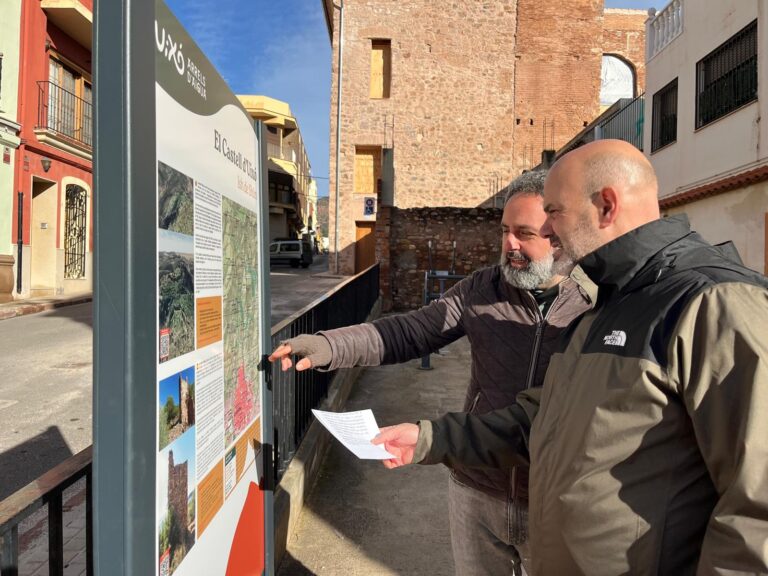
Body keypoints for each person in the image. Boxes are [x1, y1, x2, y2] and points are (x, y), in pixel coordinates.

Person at [373, 139, 768, 575]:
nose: (548, 230)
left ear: (606, 205)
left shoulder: (714, 303)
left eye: (554, 212)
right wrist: (429, 438)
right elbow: (546, 421)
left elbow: (758, 512)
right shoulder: (609, 301)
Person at [269, 170, 594, 576]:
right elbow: (410, 331)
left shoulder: (596, 303)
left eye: (524, 233)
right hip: (476, 488)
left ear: (559, 236)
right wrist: (328, 345)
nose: (509, 243)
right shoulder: (482, 289)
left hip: (555, 501)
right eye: (505, 230)